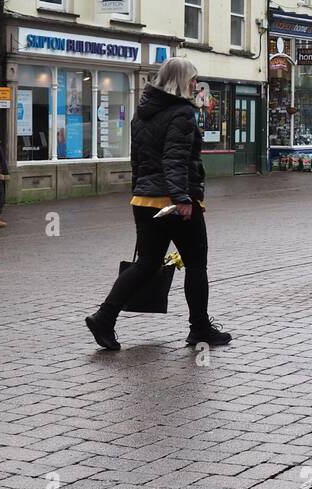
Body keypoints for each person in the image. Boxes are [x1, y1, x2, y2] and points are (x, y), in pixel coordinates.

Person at [86, 57, 229, 352]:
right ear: (180, 81)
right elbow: (174, 159)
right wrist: (182, 199)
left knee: (147, 264)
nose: (195, 84)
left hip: (144, 199)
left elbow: (137, 160)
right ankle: (200, 328)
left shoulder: (142, 114)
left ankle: (104, 317)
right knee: (196, 264)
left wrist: (138, 190)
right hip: (174, 203)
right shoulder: (182, 113)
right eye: (192, 78)